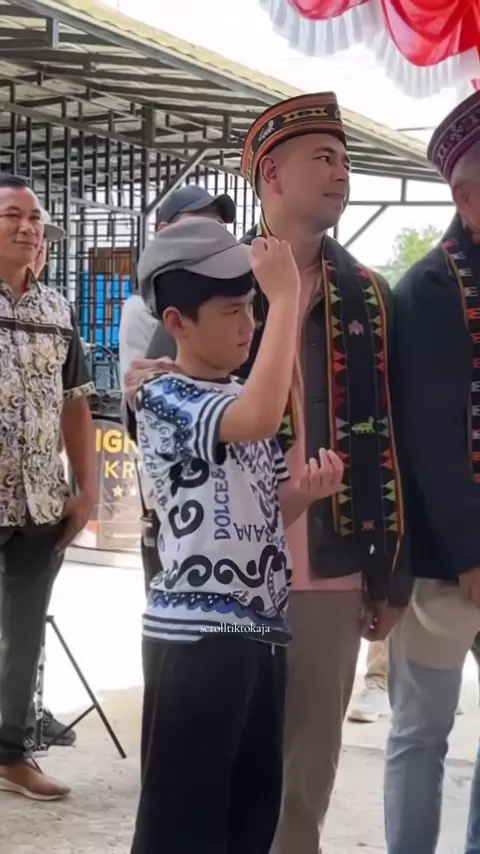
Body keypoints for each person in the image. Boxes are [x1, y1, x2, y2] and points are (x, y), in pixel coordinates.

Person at [125, 92, 411, 854]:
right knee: (204, 795)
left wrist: (390, 569)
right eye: (323, 158)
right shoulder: (214, 280)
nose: (341, 173)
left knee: (298, 784)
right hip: (210, 607)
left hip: (330, 564)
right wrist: (275, 301)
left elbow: (395, 436)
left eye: (345, 160)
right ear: (272, 178)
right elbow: (178, 419)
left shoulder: (370, 296)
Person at [128, 216, 344, 854]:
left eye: (253, 307)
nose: (249, 324)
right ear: (177, 322)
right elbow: (255, 418)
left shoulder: (236, 395)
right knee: (182, 826)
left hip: (259, 634)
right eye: (233, 311)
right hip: (196, 639)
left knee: (249, 817)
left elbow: (268, 508)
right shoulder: (164, 394)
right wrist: (286, 300)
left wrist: (305, 493)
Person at [384, 90, 480, 854]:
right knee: (422, 729)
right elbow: (431, 439)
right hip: (449, 560)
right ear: (467, 197)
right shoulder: (428, 287)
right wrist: (472, 553)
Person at [0, 176, 96, 800]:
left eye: (35, 217)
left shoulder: (57, 311)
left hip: (40, 502)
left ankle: (10, 752)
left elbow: (76, 403)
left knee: (24, 635)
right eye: (13, 214)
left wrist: (86, 489)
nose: (28, 226)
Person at [119, 185, 236, 594]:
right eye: (196, 223)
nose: (211, 233)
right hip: (178, 501)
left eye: (217, 225)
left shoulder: (233, 299)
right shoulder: (144, 309)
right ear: (164, 231)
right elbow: (142, 400)